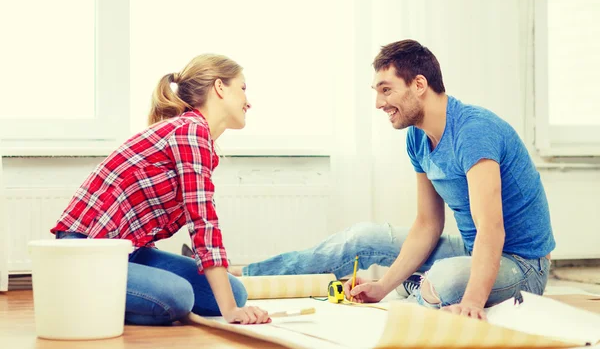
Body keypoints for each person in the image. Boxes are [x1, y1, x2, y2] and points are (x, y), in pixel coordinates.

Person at [230, 40, 555, 320]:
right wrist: (383, 286)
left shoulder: (473, 132)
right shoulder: (417, 138)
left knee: (445, 280)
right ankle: (244, 277)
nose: (379, 103)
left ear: (418, 84)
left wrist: (471, 302)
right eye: (377, 91)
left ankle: (424, 284)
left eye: (386, 90)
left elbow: (491, 228)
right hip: (474, 251)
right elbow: (428, 224)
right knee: (363, 237)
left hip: (522, 265)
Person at [51, 54, 271, 326]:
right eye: (243, 88)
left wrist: (230, 306)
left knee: (235, 292)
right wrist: (230, 314)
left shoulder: (196, 136)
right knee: (177, 297)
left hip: (129, 252)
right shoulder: (191, 130)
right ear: (220, 87)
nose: (248, 101)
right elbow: (202, 221)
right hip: (87, 250)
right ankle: (76, 293)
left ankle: (94, 294)